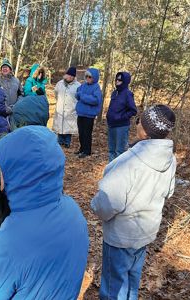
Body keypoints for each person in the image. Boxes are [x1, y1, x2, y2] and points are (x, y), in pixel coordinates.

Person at [0, 126, 89, 299]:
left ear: (17, 174)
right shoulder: (73, 211)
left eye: (3, 169)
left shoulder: (7, 244)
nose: (0, 175)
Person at [90, 105, 177, 300]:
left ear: (145, 130)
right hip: (146, 232)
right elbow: (168, 192)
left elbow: (108, 203)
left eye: (139, 121)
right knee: (132, 278)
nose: (136, 124)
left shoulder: (128, 162)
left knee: (114, 285)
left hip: (121, 235)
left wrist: (94, 205)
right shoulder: (170, 159)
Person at [106, 72, 137, 162]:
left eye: (120, 80)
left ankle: (119, 171)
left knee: (120, 151)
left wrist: (120, 117)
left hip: (121, 126)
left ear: (125, 81)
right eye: (116, 79)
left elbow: (133, 110)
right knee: (111, 150)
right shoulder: (115, 93)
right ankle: (111, 169)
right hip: (111, 125)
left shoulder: (128, 94)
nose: (117, 81)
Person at [75, 68, 102, 158]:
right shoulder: (83, 85)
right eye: (86, 76)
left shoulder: (96, 87)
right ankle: (82, 149)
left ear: (94, 77)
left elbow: (96, 100)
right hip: (81, 113)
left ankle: (87, 151)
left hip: (89, 115)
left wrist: (82, 96)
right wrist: (79, 95)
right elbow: (77, 93)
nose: (87, 78)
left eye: (89, 77)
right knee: (81, 132)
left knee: (87, 133)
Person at [52, 66, 81, 148]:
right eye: (68, 75)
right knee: (60, 125)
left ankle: (67, 142)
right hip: (60, 108)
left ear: (74, 77)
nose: (69, 77)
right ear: (65, 75)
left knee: (69, 127)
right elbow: (56, 94)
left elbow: (79, 98)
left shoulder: (78, 85)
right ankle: (60, 141)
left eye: (72, 76)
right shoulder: (59, 84)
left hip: (71, 109)